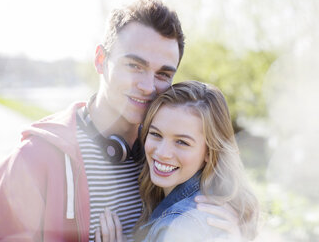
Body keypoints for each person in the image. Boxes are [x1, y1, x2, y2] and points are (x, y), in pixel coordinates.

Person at [0, 0, 238, 242]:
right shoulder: (31, 161)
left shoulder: (165, 159)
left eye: (162, 74)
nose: (148, 87)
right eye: (134, 66)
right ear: (100, 60)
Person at [97, 81, 259, 242]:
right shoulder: (208, 208)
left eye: (182, 142)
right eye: (156, 134)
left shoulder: (178, 226)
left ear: (210, 152)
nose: (162, 153)